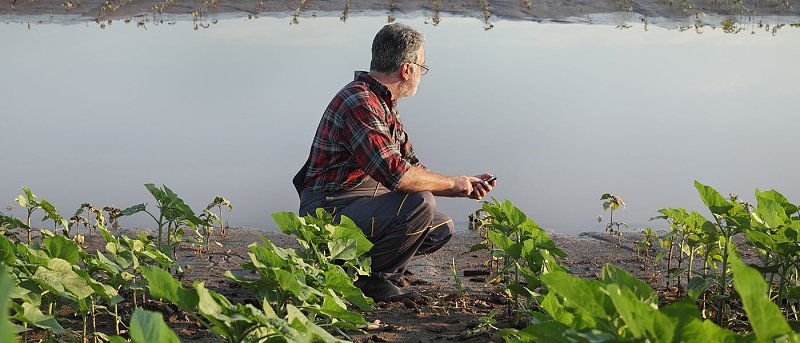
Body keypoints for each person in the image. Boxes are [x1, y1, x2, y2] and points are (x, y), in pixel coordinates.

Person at [293, 23, 496, 301]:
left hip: (357, 203)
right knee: (420, 203)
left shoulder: (383, 102)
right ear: (407, 69)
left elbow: (411, 165)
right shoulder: (359, 102)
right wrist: (452, 183)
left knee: (440, 228)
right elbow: (397, 175)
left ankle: (349, 267)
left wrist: (464, 185)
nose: (421, 76)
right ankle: (374, 281)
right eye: (422, 68)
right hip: (327, 211)